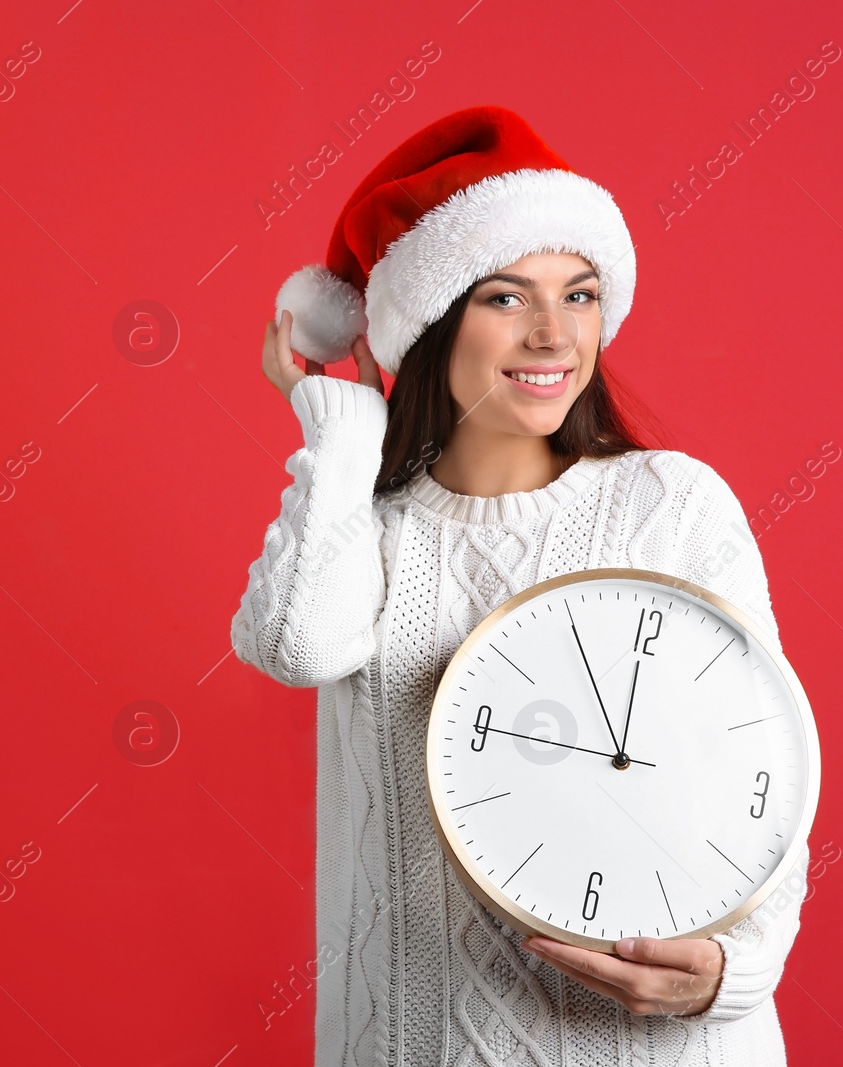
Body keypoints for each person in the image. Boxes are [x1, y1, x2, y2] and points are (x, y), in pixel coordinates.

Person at [231, 105, 810, 1067]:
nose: (553, 334)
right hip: (414, 1041)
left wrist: (731, 969)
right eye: (506, 297)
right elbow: (296, 644)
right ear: (428, 323)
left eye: (579, 294)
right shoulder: (366, 535)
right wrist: (334, 426)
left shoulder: (670, 504)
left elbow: (766, 767)